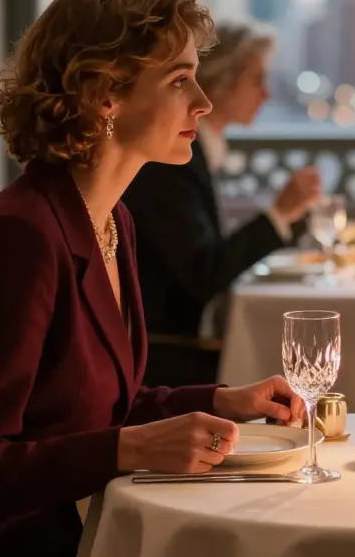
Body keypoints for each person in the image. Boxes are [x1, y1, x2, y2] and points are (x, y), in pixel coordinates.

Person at [0, 0, 305, 557]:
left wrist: (221, 399)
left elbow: (88, 410)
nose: (203, 100)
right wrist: (129, 449)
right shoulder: (18, 239)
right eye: (178, 79)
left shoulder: (112, 220)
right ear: (103, 95)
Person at [123, 22, 320, 386]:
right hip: (166, 350)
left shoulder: (199, 150)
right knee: (299, 358)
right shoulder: (169, 161)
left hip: (186, 334)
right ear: (221, 81)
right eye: (256, 80)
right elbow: (204, 271)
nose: (265, 94)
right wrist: (277, 214)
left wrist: (284, 216)